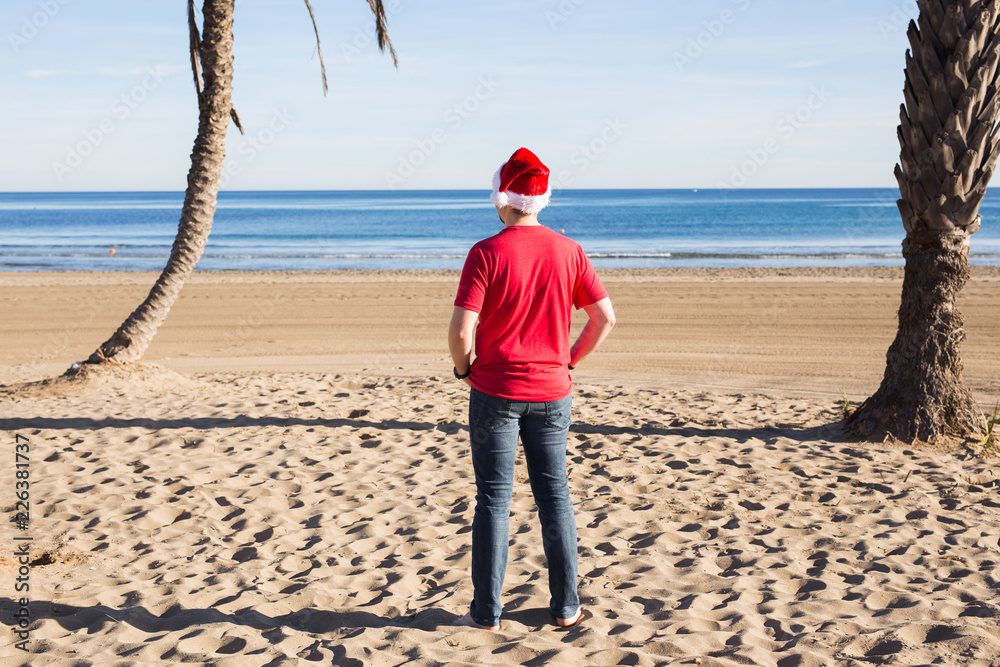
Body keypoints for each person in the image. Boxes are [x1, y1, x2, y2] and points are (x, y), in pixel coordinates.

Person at [448, 147, 616, 631]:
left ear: (503, 199)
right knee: (555, 497)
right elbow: (605, 318)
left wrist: (464, 370)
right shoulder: (570, 251)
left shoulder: (485, 252)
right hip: (551, 390)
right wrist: (569, 360)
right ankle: (566, 607)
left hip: (494, 391)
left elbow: (462, 332)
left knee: (493, 501)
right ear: (541, 201)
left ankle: (486, 613)